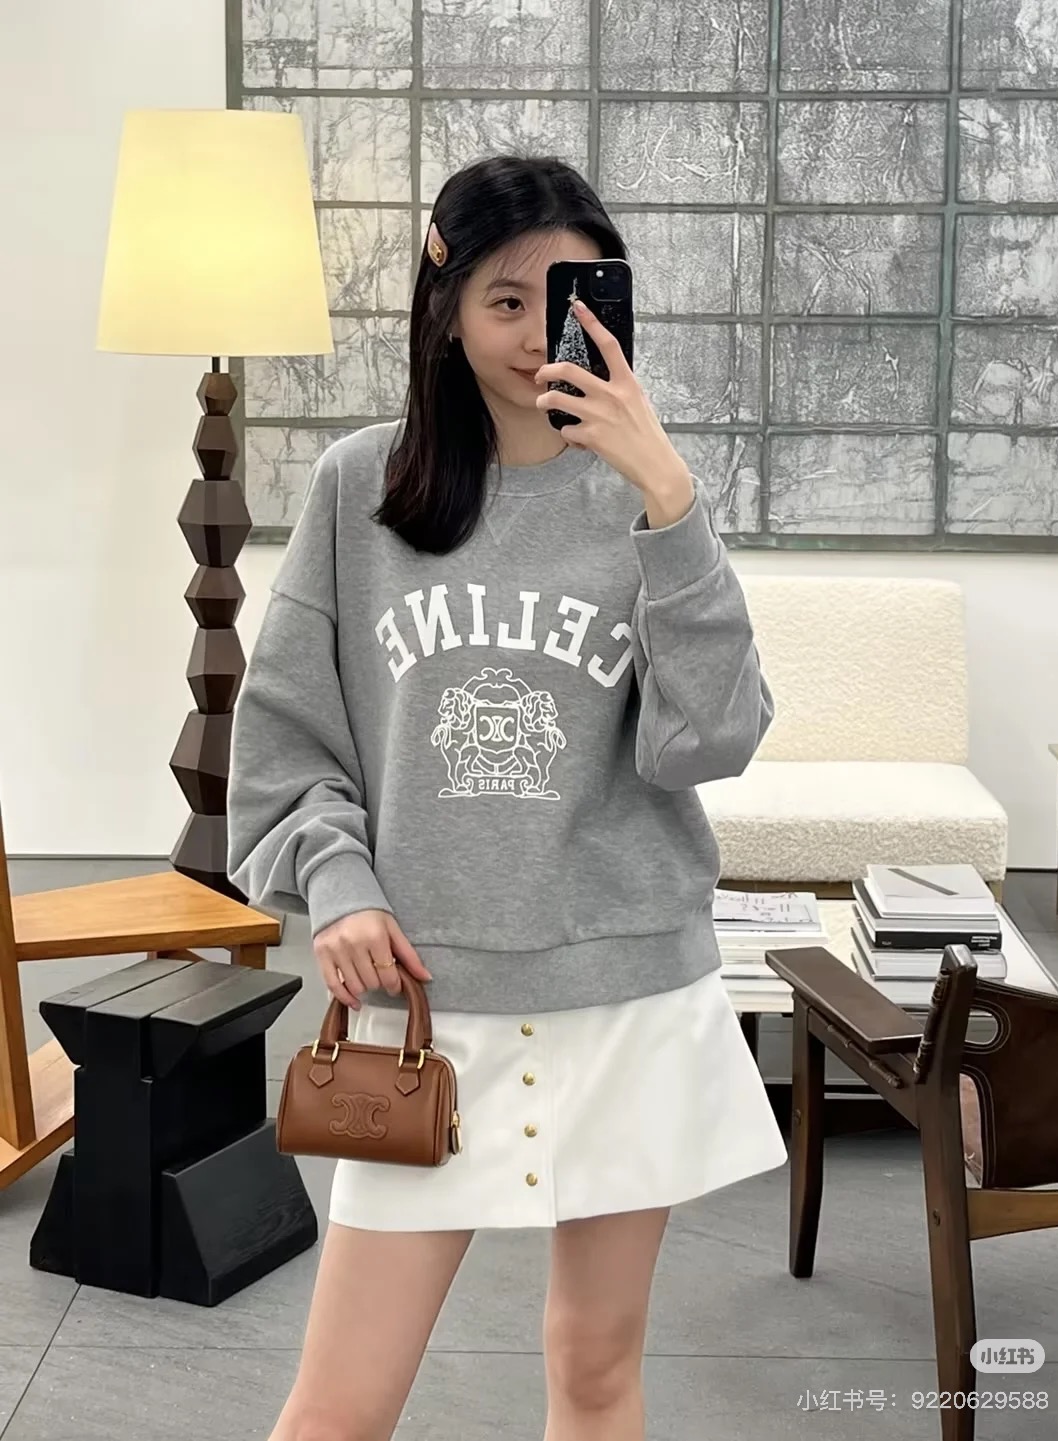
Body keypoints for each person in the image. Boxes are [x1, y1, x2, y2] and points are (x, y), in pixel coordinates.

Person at [227, 153, 788, 1441]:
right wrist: (337, 884)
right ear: (445, 312)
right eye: (506, 301)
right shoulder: (361, 490)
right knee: (338, 1408)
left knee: (595, 1374)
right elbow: (287, 740)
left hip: (629, 996)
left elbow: (710, 742)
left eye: (569, 297)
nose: (541, 333)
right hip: (428, 1004)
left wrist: (669, 501)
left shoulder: (651, 495)